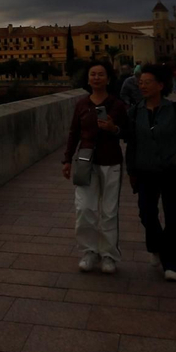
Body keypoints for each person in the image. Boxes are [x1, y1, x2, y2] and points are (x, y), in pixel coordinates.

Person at [121, 65, 176, 281]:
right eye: (141, 82)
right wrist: (131, 170)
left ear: (161, 85)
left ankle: (173, 264)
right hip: (145, 171)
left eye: (147, 82)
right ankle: (156, 246)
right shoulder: (135, 111)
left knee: (173, 216)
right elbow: (129, 140)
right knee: (146, 213)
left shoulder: (174, 110)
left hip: (171, 170)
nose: (142, 85)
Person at [61, 60, 126, 274]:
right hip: (86, 162)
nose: (96, 78)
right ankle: (89, 251)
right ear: (88, 79)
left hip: (111, 161)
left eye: (100, 74)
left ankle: (108, 255)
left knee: (109, 211)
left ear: (108, 78)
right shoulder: (82, 104)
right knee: (84, 208)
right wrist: (67, 159)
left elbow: (126, 133)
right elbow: (73, 133)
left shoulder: (116, 104)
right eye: (92, 74)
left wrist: (113, 128)